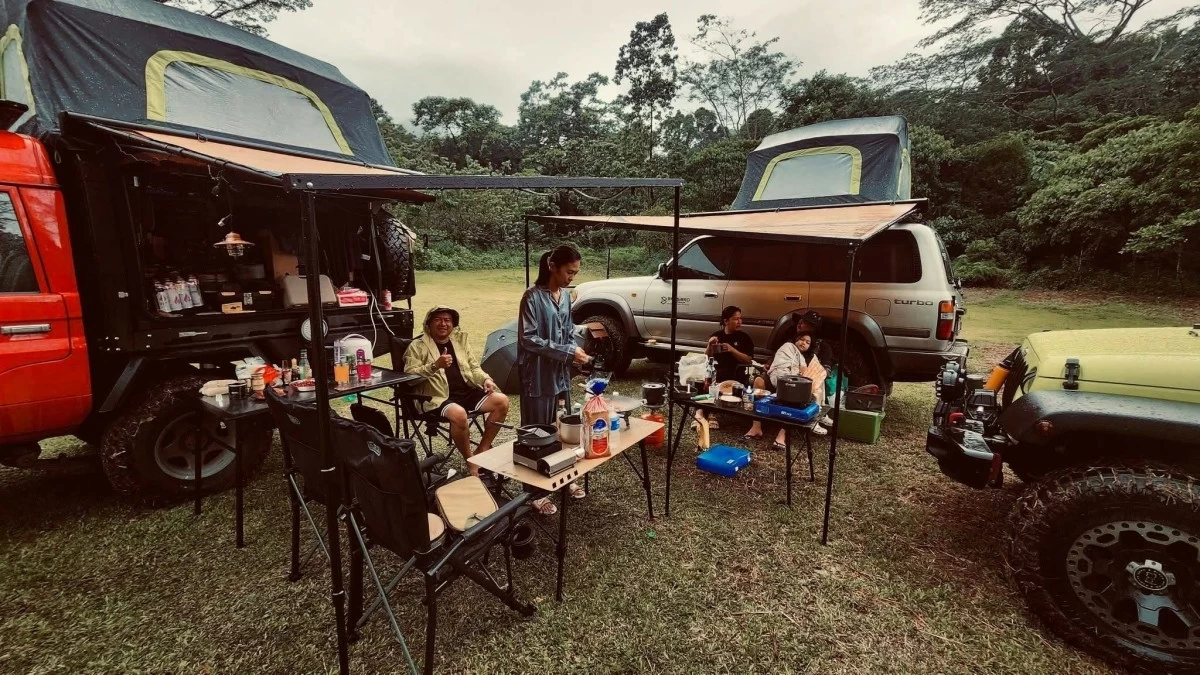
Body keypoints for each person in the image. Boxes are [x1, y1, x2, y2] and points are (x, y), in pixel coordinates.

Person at [518, 244, 595, 514]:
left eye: (575, 273)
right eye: (568, 272)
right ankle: (533, 492)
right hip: (537, 376)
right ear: (552, 266)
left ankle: (563, 478)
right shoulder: (531, 297)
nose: (571, 277)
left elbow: (565, 331)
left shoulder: (565, 296)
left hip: (560, 373)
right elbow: (528, 339)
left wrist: (576, 349)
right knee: (537, 433)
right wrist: (567, 351)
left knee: (564, 428)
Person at [405, 305, 509, 475]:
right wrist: (434, 366)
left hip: (465, 391)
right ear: (428, 324)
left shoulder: (460, 341)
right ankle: (470, 462)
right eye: (438, 320)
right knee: (459, 414)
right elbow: (409, 377)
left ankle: (481, 451)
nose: (443, 324)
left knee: (502, 401)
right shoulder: (417, 346)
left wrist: (486, 379)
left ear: (453, 324)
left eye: (447, 320)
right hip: (436, 396)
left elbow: (474, 367)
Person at [742, 330, 828, 448]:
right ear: (796, 340)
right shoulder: (787, 347)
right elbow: (776, 361)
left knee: (792, 393)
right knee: (758, 381)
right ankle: (756, 427)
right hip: (775, 377)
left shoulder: (809, 358)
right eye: (801, 339)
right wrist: (770, 366)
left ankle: (782, 435)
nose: (804, 343)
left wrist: (800, 372)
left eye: (807, 342)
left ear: (810, 346)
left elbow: (810, 376)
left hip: (792, 384)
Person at [694, 305, 755, 429]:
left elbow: (748, 360)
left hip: (735, 371)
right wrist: (710, 345)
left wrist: (732, 350)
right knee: (700, 376)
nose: (739, 322)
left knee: (720, 375)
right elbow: (707, 357)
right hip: (716, 368)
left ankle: (712, 414)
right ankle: (699, 412)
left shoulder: (744, 337)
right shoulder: (717, 335)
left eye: (740, 319)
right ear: (726, 321)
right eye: (736, 319)